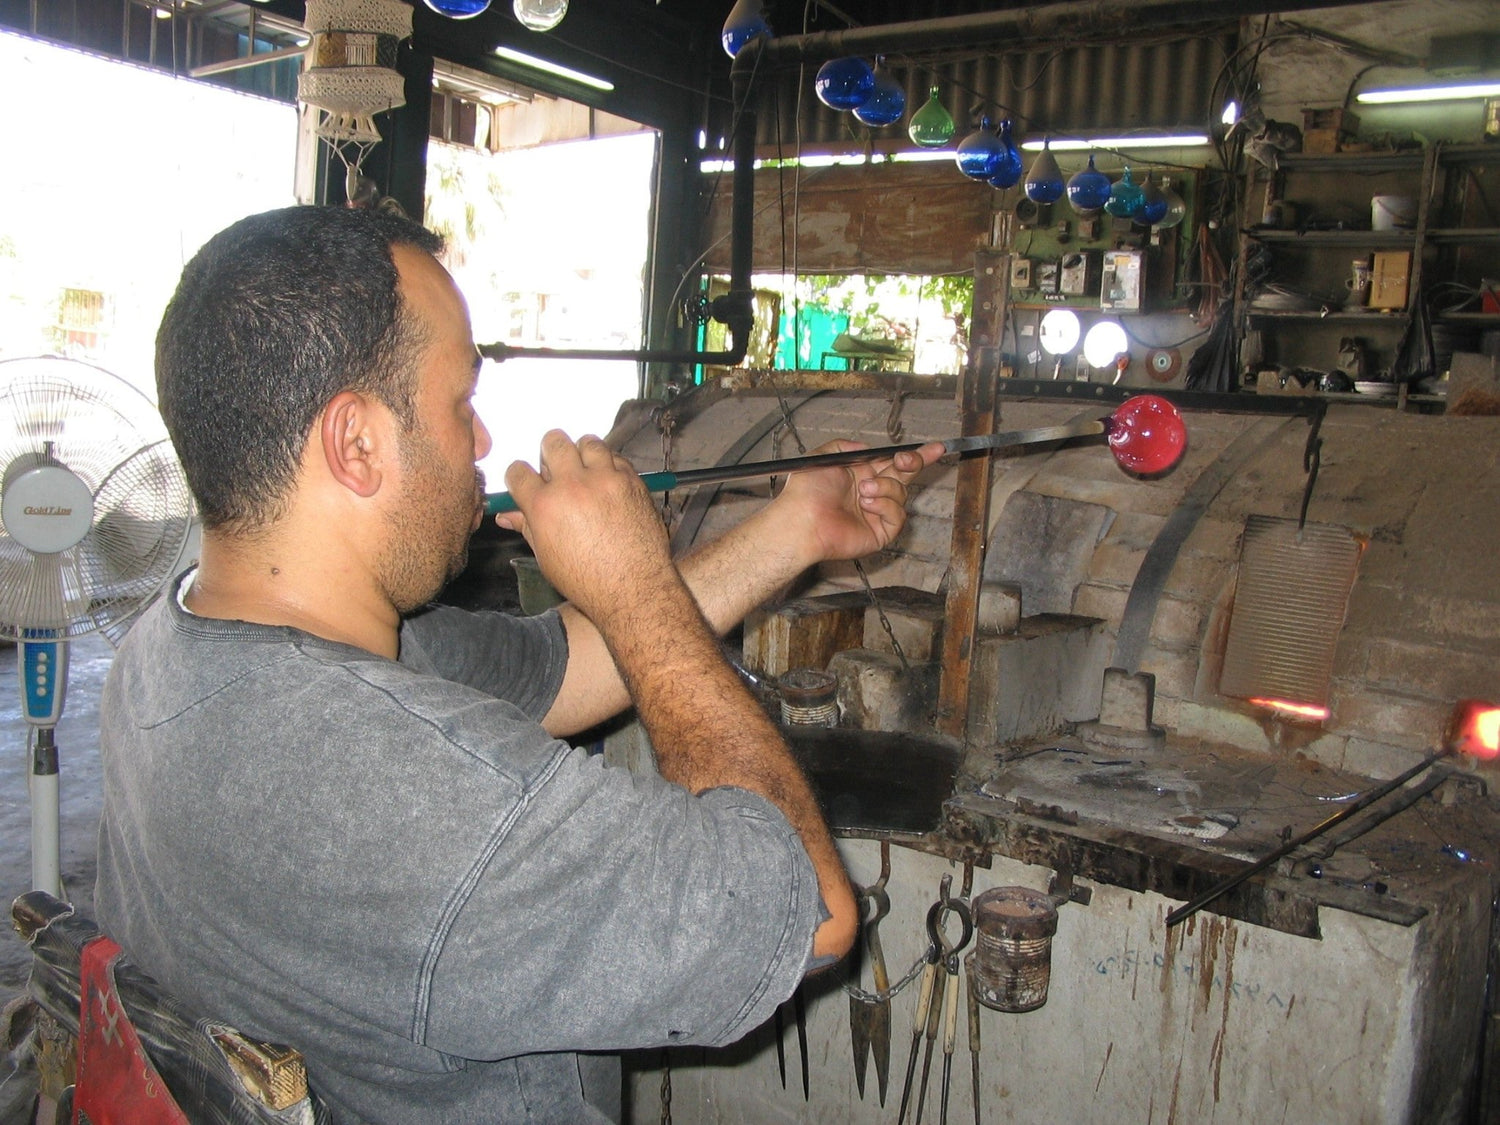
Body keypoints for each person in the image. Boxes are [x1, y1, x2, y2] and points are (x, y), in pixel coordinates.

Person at [94, 204, 941, 1124]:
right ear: (356, 443)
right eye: (460, 403)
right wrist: (632, 586)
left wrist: (793, 530)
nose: (483, 443)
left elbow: (566, 663)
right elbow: (812, 911)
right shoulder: (411, 803)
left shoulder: (179, 638)